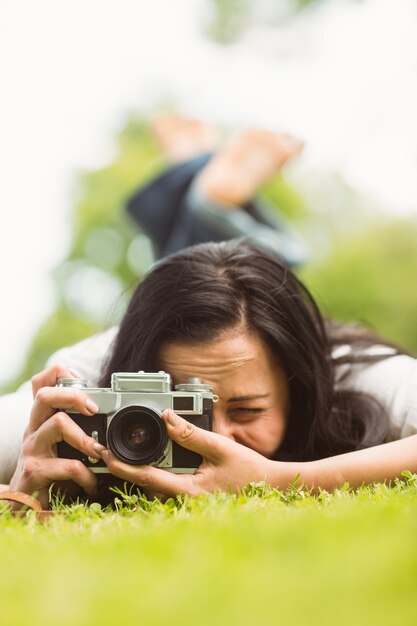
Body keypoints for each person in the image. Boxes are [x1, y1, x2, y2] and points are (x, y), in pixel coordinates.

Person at [3, 239, 417, 508]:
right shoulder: (87, 387)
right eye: (181, 411)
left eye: (248, 411)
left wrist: (281, 480)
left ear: (301, 390)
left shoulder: (347, 371)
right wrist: (21, 486)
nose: (214, 439)